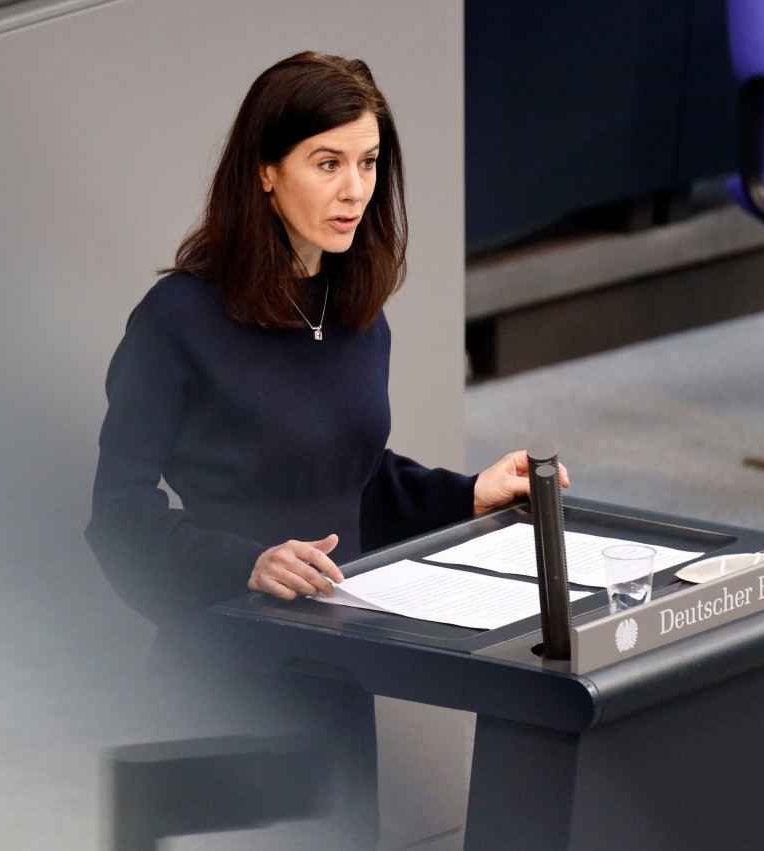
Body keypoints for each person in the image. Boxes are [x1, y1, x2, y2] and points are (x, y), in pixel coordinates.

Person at [84, 51, 564, 849]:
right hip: (221, 676)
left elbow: (352, 476)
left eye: (369, 163)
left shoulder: (355, 311)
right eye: (328, 163)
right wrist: (245, 561)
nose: (354, 189)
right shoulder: (176, 320)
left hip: (335, 671)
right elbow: (118, 516)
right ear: (266, 172)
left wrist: (467, 492)